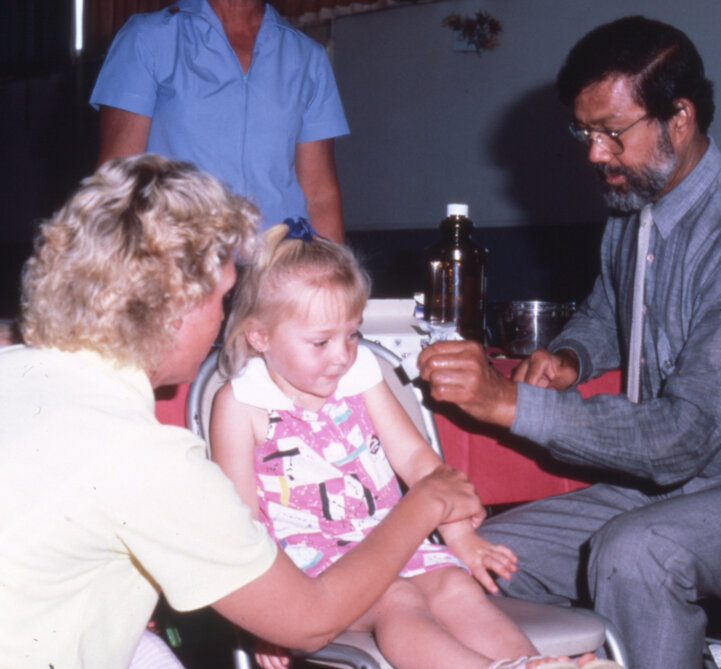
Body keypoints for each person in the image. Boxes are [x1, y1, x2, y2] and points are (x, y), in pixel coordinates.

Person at [418, 16, 721, 669]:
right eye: (585, 131)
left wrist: (508, 401)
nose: (595, 153)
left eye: (611, 132)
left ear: (677, 118)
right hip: (677, 488)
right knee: (471, 557)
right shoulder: (635, 204)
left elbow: (681, 436)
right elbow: (610, 310)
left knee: (638, 552)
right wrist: (572, 357)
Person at [0, 155, 485, 668]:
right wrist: (426, 504)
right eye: (224, 297)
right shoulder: (144, 456)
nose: (226, 317)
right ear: (174, 309)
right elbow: (309, 618)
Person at [210, 219, 620, 669]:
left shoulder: (359, 374)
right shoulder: (240, 404)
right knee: (398, 598)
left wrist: (460, 536)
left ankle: (528, 664)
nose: (342, 355)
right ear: (259, 336)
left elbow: (417, 459)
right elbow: (242, 528)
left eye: (351, 334)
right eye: (321, 342)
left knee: (456, 586)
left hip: (391, 540)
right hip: (311, 575)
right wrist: (268, 620)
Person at [90, 0, 347, 242]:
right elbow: (116, 182)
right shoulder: (148, 38)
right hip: (180, 265)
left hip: (279, 269)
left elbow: (319, 196)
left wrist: (337, 282)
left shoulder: (307, 57)